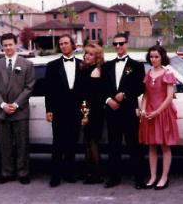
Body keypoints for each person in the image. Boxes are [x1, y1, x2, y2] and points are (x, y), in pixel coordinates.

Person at [102, 33, 147, 189]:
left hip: (129, 111)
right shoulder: (107, 66)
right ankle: (114, 177)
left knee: (134, 145)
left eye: (121, 43)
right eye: (115, 44)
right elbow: (102, 88)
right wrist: (109, 100)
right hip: (112, 111)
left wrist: (125, 94)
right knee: (113, 146)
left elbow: (141, 87)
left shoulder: (137, 65)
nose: (118, 46)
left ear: (127, 44)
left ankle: (139, 178)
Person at [0, 33, 35, 185]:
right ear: (2, 47)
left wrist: (15, 105)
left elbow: (29, 87)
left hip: (20, 110)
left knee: (22, 144)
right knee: (5, 145)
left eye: (10, 44)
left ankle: (23, 173)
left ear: (16, 45)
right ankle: (6, 173)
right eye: (5, 45)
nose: (8, 47)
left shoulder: (26, 64)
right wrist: (2, 105)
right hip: (3, 111)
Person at [139, 45, 179, 190]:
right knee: (151, 147)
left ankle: (164, 177)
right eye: (151, 57)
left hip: (162, 114)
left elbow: (169, 97)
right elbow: (146, 95)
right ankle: (153, 176)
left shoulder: (167, 73)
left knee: (165, 146)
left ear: (162, 57)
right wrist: (143, 109)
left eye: (156, 56)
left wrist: (157, 112)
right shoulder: (148, 73)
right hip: (150, 114)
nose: (153, 59)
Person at [45, 34, 82, 187]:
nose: (64, 46)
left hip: (75, 110)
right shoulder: (52, 65)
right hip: (59, 110)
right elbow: (49, 90)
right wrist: (49, 109)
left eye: (66, 43)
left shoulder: (82, 64)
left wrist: (84, 112)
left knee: (72, 143)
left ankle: (69, 173)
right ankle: (55, 176)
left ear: (72, 45)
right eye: (61, 44)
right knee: (58, 144)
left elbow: (85, 92)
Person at [79, 43, 106, 184]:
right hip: (89, 109)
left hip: (94, 112)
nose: (87, 56)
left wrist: (85, 115)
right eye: (86, 53)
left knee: (93, 142)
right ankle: (90, 172)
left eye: (91, 54)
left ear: (97, 57)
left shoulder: (96, 72)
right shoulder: (87, 69)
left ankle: (97, 174)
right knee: (88, 142)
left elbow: (92, 98)